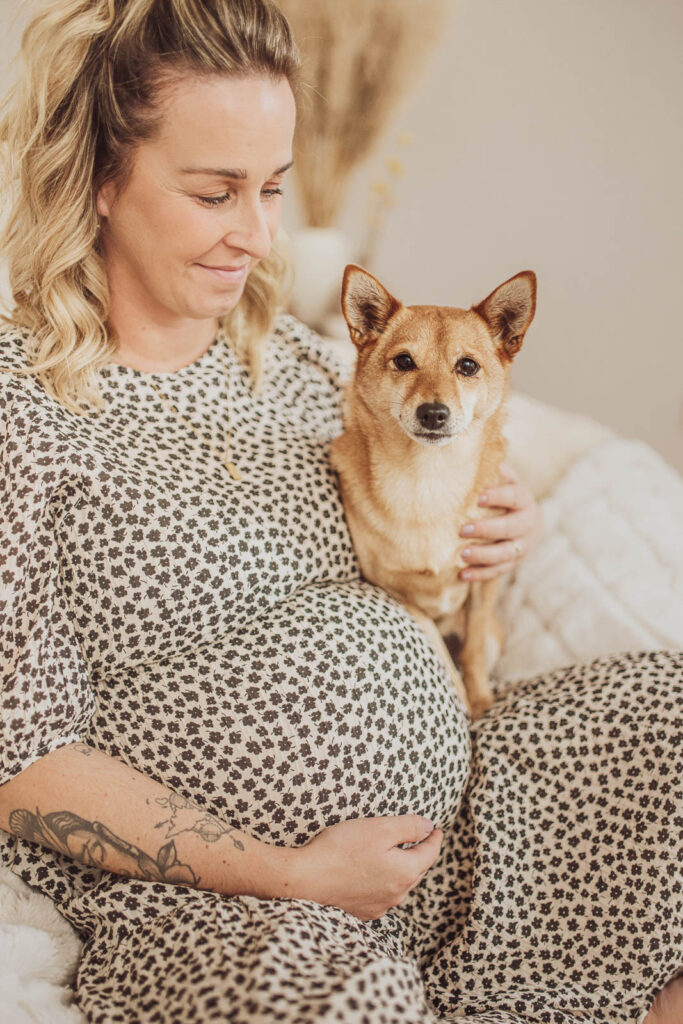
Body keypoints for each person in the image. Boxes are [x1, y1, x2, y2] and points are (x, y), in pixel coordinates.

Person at [0, 1, 680, 1021]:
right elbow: (18, 760)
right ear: (101, 180)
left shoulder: (318, 367)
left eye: (272, 187)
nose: (259, 233)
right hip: (218, 895)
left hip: (467, 827)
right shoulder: (22, 410)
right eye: (214, 191)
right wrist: (293, 874)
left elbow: (465, 444)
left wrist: (509, 527)